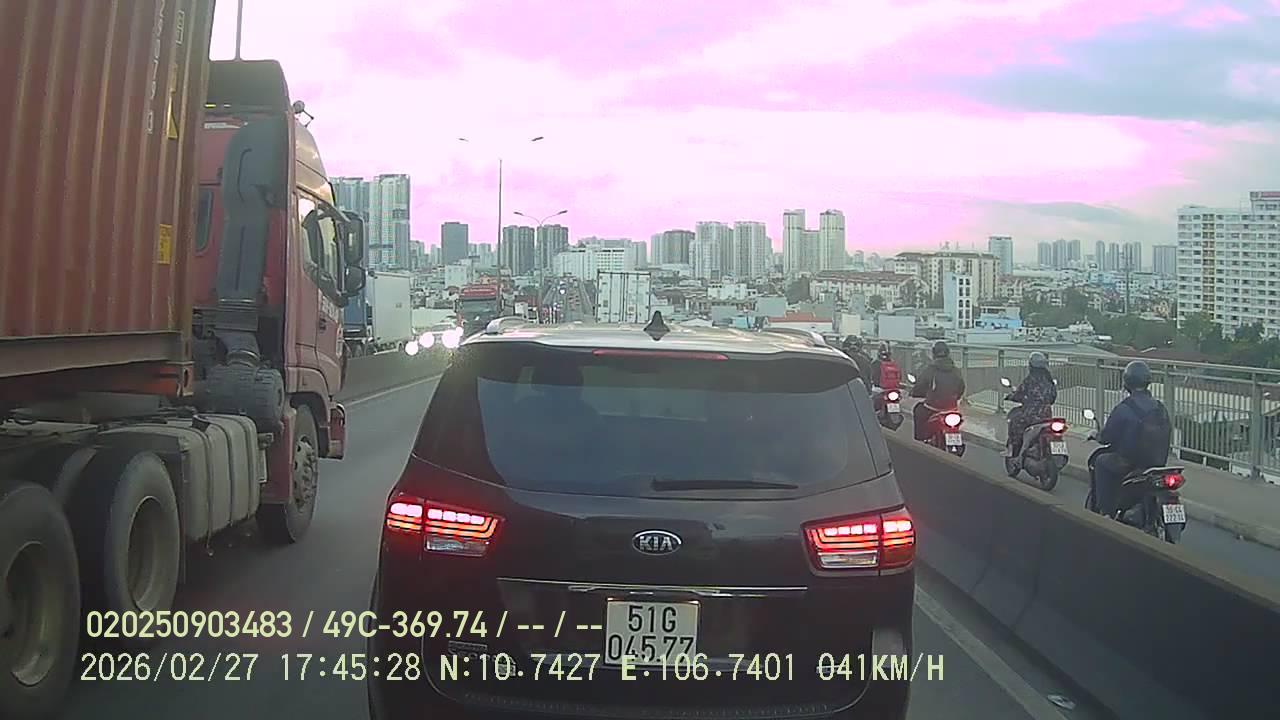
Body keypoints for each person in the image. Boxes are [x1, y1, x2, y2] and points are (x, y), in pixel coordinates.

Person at [1092, 360, 1173, 518]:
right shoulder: (1160, 407)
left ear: (1127, 382)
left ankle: (1106, 512)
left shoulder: (1125, 408)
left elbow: (1107, 436)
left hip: (1130, 462)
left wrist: (1097, 435)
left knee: (1101, 462)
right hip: (1157, 463)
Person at [1005, 351, 1057, 460]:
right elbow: (1053, 398)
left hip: (1031, 415)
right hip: (1047, 415)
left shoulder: (1030, 379)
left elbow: (1019, 394)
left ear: (1031, 365)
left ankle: (1014, 451)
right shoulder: (1049, 380)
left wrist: (1011, 396)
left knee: (1014, 422)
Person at [910, 341, 966, 441]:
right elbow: (961, 388)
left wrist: (914, 393)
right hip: (952, 408)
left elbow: (920, 385)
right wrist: (955, 397)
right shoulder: (956, 370)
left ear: (934, 353)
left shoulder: (930, 369)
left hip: (933, 408)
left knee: (918, 410)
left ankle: (920, 441)